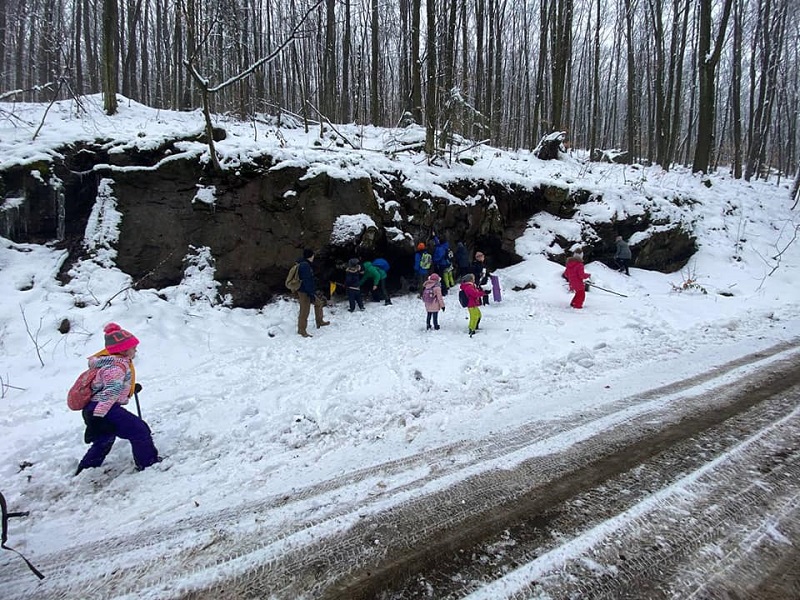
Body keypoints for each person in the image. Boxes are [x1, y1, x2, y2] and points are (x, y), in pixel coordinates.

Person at [75, 323, 161, 475]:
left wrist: (130, 388)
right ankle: (148, 463)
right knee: (140, 430)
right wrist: (98, 418)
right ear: (124, 350)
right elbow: (110, 394)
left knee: (104, 438)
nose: (136, 350)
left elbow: (106, 387)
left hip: (93, 407)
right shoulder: (116, 368)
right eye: (133, 347)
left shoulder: (110, 363)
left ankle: (86, 468)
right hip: (105, 410)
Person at [297, 249, 330, 337]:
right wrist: (310, 293)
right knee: (304, 311)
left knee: (319, 303)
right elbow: (306, 281)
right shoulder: (304, 266)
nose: (314, 257)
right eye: (312, 255)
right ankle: (301, 330)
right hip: (304, 292)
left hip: (308, 290)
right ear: (310, 256)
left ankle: (320, 321)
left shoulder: (305, 263)